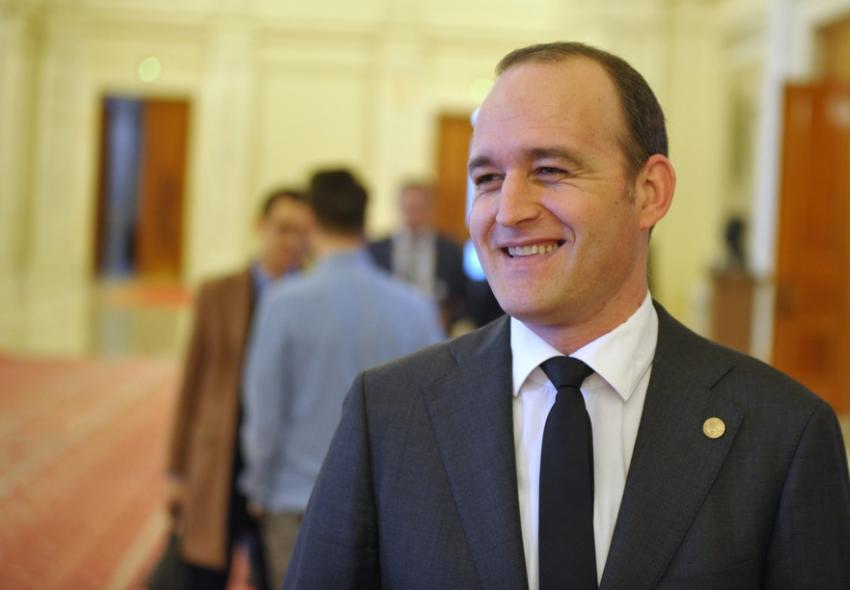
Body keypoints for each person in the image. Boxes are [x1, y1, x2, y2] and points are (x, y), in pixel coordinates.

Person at [284, 42, 850, 589]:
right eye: (487, 179)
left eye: (551, 170)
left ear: (650, 191)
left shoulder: (782, 433)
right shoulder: (389, 415)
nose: (509, 211)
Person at [240, 169, 444, 590]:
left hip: (297, 500)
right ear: (365, 222)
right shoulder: (415, 308)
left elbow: (265, 416)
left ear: (311, 221)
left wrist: (258, 487)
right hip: (389, 508)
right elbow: (437, 414)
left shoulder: (283, 304)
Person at [165, 187, 312, 590]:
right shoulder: (218, 293)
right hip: (222, 454)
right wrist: (177, 471)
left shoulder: (315, 299)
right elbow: (192, 384)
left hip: (284, 464)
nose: (292, 241)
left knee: (278, 574)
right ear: (260, 227)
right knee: (206, 569)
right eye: (283, 229)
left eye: (301, 232)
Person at [368, 181, 468, 330]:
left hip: (434, 328)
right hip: (388, 327)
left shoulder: (450, 250)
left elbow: (462, 296)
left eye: (418, 207)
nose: (412, 213)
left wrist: (448, 316)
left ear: (430, 208)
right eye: (408, 207)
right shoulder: (376, 250)